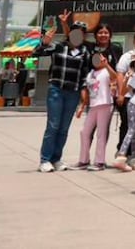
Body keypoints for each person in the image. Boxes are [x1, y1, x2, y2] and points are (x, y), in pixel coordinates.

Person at [33, 15, 91, 173]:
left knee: (64, 127)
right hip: (56, 90)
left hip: (73, 93)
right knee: (53, 125)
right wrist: (44, 43)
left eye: (81, 33)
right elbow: (37, 53)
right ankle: (45, 160)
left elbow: (84, 73)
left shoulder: (85, 51)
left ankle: (56, 159)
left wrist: (84, 91)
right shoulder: (59, 46)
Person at [75, 51, 118, 170]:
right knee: (84, 132)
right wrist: (82, 106)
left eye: (99, 58)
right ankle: (84, 160)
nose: (97, 61)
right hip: (93, 106)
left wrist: (107, 65)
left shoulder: (106, 71)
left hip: (105, 104)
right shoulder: (91, 73)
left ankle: (100, 162)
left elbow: (115, 77)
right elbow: (87, 89)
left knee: (101, 133)